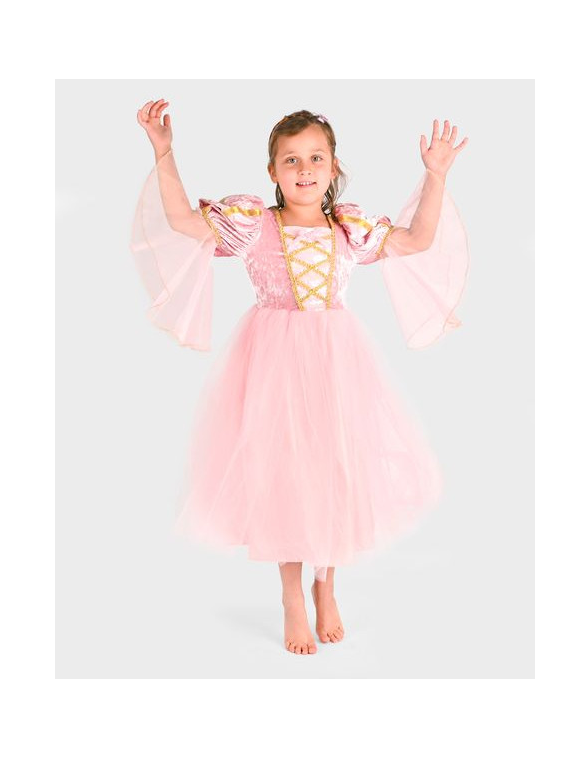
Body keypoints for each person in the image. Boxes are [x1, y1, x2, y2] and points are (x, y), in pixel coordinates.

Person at [129, 98, 470, 655]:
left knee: (336, 467)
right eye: (291, 160)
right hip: (273, 363)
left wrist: (435, 175)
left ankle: (325, 584)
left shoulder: (348, 229)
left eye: (316, 158)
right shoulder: (254, 225)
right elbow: (183, 223)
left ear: (333, 168)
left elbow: (416, 241)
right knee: (283, 472)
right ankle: (292, 594)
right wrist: (164, 153)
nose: (304, 169)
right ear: (273, 171)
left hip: (337, 363)